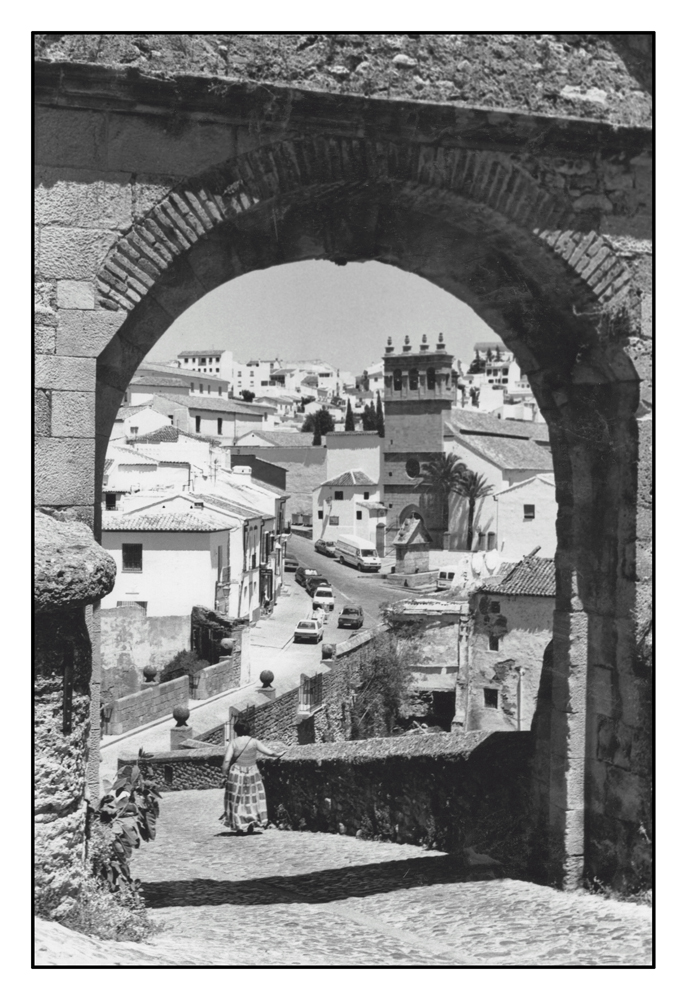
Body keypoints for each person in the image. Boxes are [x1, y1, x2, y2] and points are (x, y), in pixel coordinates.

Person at [219, 722, 285, 834]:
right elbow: (269, 752)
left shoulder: (234, 743)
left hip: (236, 773)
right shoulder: (254, 742)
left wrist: (224, 773)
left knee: (236, 800)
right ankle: (251, 822)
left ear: (236, 731)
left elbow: (226, 760)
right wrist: (279, 754)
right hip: (252, 773)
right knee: (252, 799)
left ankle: (239, 825)